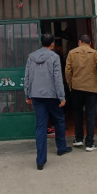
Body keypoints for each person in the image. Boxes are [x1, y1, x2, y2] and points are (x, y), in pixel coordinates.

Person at [25, 32, 72, 170]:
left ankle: (40, 161)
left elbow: (27, 76)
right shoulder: (54, 57)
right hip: (52, 95)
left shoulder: (31, 57)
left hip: (36, 95)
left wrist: (27, 94)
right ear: (52, 44)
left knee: (41, 126)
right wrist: (62, 97)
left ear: (41, 43)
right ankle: (61, 148)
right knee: (59, 120)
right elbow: (58, 78)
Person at [65, 34, 97, 152]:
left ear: (79, 42)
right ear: (90, 43)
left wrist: (70, 84)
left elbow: (67, 70)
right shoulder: (95, 53)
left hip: (77, 87)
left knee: (77, 113)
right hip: (91, 88)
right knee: (90, 114)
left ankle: (78, 139)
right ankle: (89, 143)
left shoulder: (72, 53)